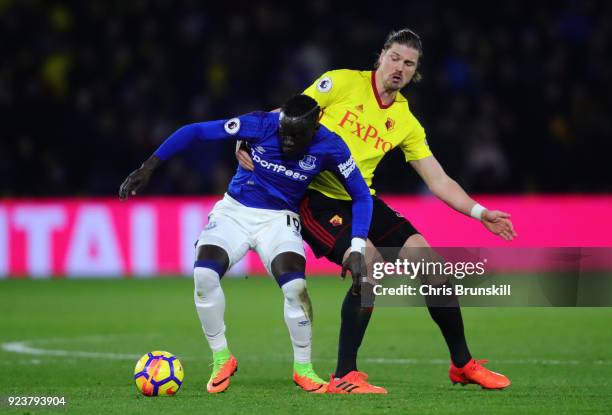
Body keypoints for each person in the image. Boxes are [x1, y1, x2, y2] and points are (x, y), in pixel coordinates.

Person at [236, 29, 517, 393]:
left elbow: (438, 180)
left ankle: (463, 364)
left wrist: (481, 213)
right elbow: (287, 114)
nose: (400, 68)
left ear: (415, 72)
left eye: (409, 63)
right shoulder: (339, 83)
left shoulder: (405, 120)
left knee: (431, 265)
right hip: (314, 198)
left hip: (360, 199)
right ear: (381, 56)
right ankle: (344, 375)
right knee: (366, 263)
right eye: (395, 58)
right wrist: (245, 135)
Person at [119, 94, 373, 394]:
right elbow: (195, 131)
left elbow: (361, 195)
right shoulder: (261, 124)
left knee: (295, 288)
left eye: (296, 136)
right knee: (204, 274)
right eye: (284, 134)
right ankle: (222, 357)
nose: (287, 142)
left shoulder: (331, 146)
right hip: (235, 211)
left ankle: (303, 369)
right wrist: (147, 167)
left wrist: (356, 248)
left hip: (279, 219)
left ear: (315, 125)